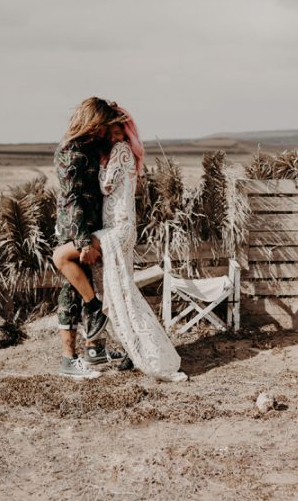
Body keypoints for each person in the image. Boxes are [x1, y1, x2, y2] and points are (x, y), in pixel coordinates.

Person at [94, 102, 188, 382]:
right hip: (118, 226)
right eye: (109, 132)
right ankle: (134, 349)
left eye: (114, 131)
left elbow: (105, 186)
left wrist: (98, 161)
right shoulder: (123, 151)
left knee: (121, 291)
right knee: (119, 289)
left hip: (119, 228)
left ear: (122, 130)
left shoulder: (121, 151)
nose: (112, 136)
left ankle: (151, 354)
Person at [51, 97, 130, 379]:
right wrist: (84, 241)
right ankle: (69, 360)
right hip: (75, 228)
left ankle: (93, 349)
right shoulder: (71, 151)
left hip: (92, 225)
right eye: (102, 126)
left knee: (91, 282)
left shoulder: (91, 146)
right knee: (71, 292)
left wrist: (115, 111)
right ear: (92, 122)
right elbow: (72, 200)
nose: (105, 132)